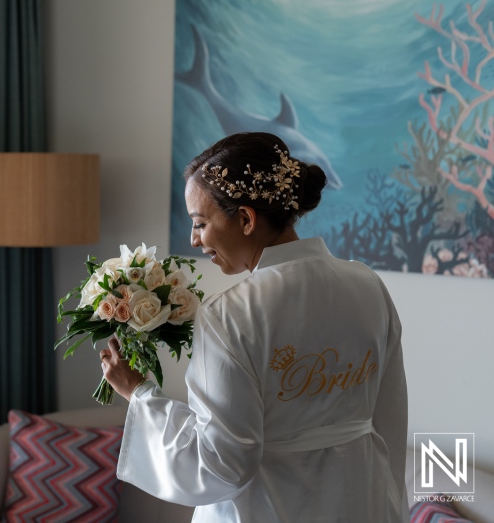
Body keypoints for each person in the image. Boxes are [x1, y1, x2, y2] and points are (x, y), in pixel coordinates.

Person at [100, 132, 408, 522]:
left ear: (245, 219)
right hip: (359, 501)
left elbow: (221, 464)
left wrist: (141, 394)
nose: (194, 240)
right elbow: (391, 421)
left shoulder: (230, 315)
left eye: (200, 223)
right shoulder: (368, 285)